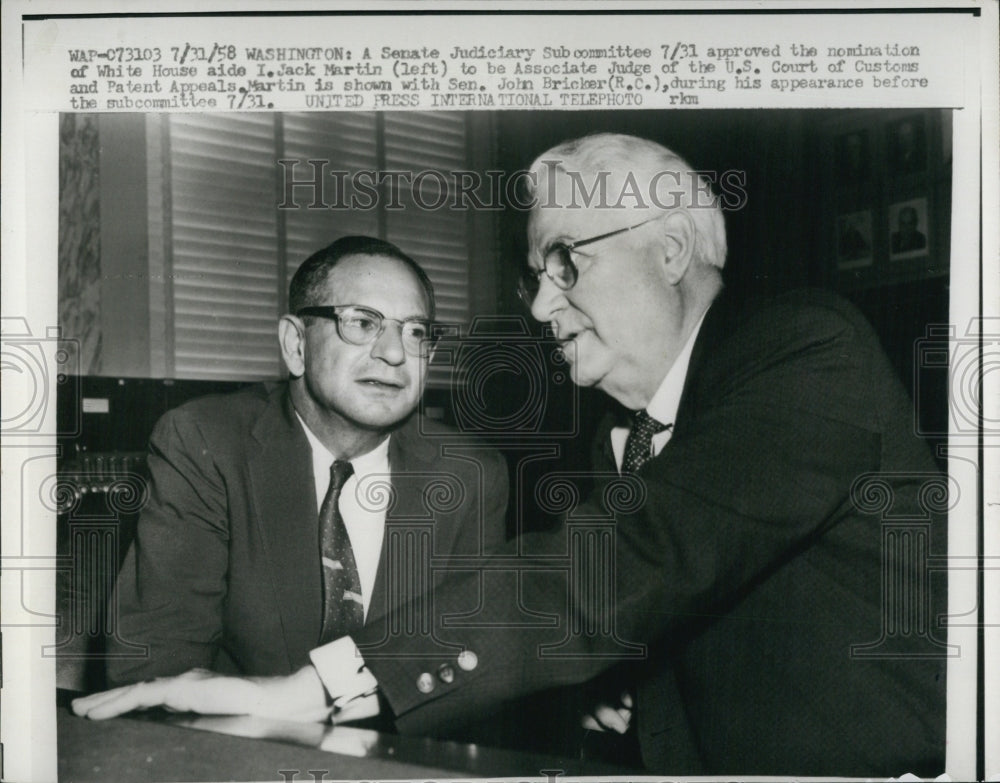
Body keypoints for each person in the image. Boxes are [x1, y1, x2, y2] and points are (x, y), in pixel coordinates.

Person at [75, 137, 947, 778]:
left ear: (670, 250)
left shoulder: (806, 348)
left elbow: (627, 562)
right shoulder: (627, 432)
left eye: (564, 264)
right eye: (535, 275)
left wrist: (312, 686)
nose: (539, 307)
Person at [90, 235, 508, 721]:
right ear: (295, 345)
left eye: (416, 332)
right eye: (362, 322)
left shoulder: (470, 473)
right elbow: (157, 668)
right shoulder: (206, 443)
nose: (395, 352)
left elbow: (474, 672)